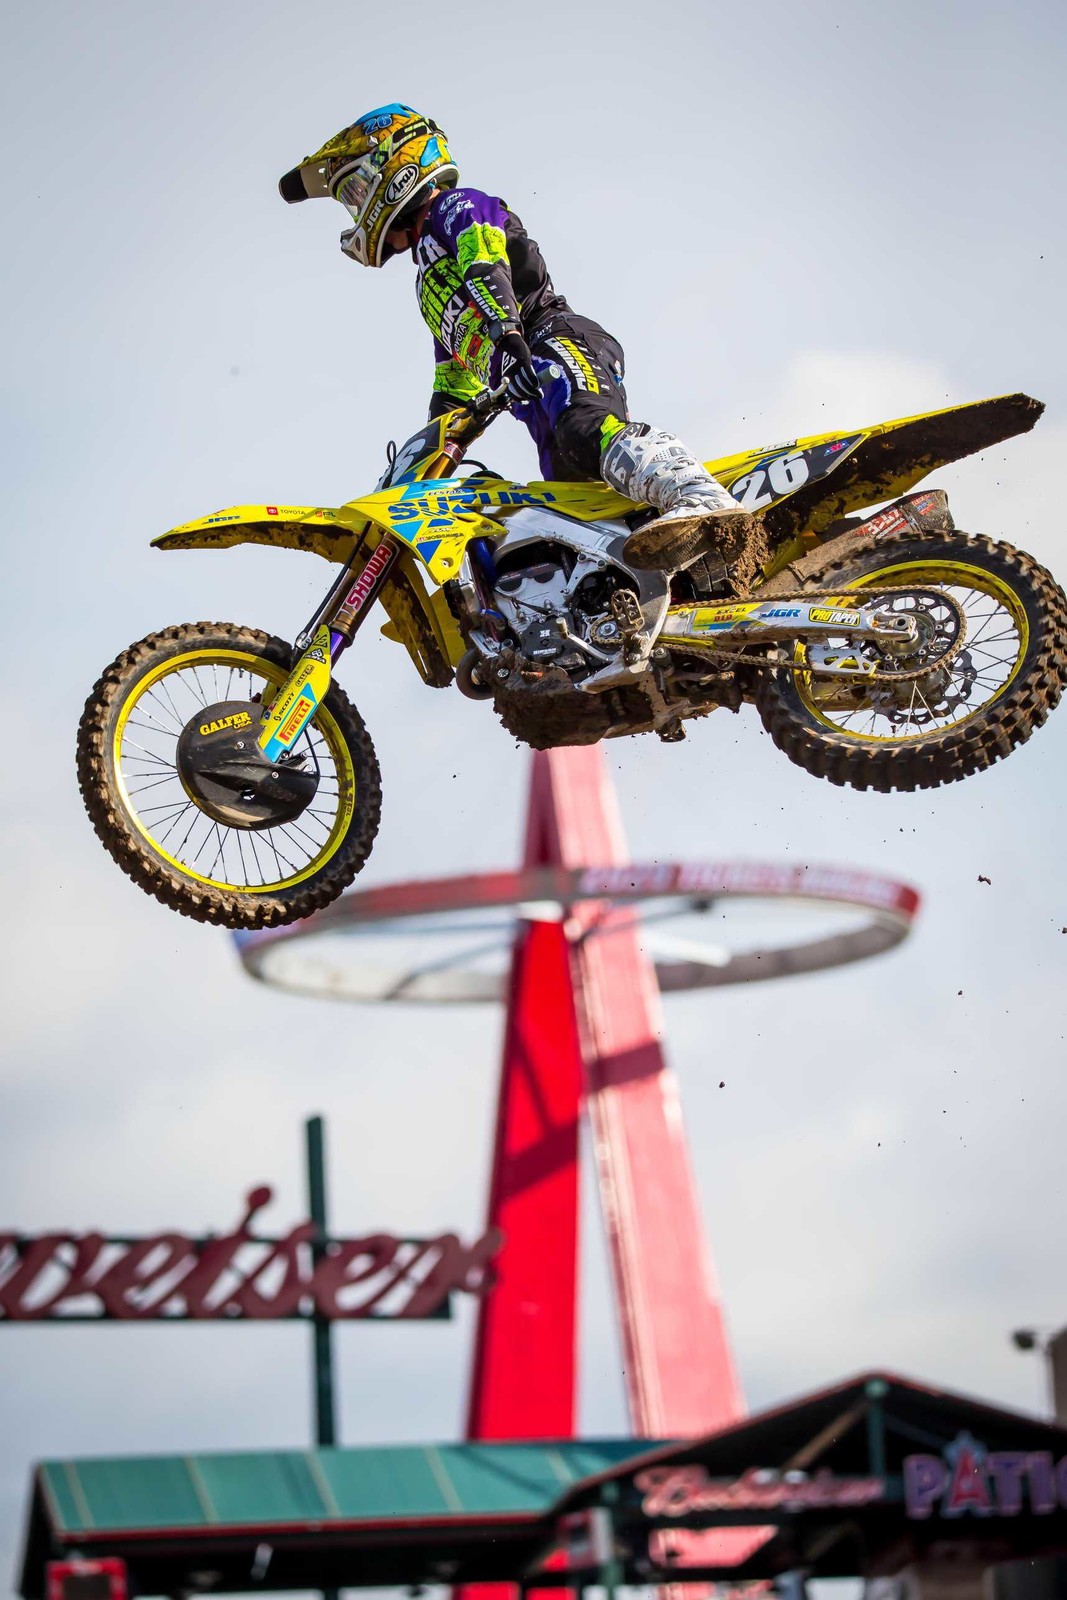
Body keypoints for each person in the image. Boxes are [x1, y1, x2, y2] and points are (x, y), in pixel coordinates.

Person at [280, 104, 751, 574]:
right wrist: (429, 456)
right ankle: (659, 587)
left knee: (583, 427)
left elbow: (485, 262)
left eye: (357, 190)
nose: (357, 207)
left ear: (397, 170)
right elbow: (455, 378)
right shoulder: (428, 283)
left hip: (553, 337)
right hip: (525, 379)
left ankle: (699, 495)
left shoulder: (456, 206)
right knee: (576, 508)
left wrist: (507, 333)